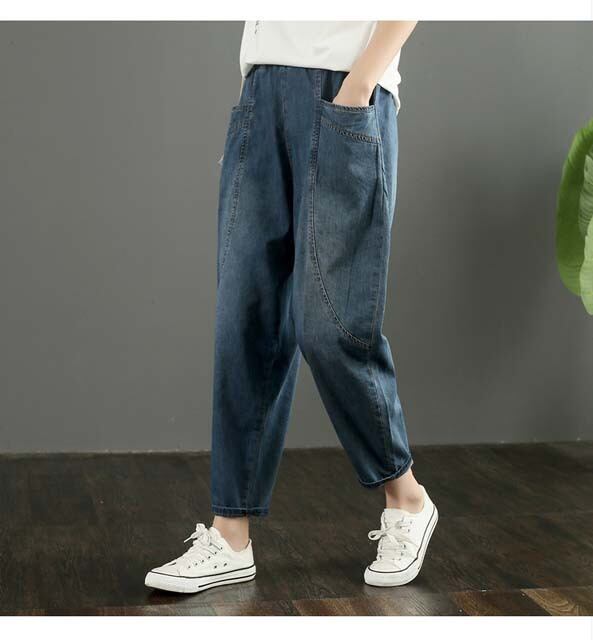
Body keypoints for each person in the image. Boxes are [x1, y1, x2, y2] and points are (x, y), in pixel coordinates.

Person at [145, 20, 438, 594]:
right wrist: (256, 94)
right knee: (243, 320)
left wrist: (360, 84)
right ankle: (231, 535)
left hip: (344, 89)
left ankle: (406, 496)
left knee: (330, 324)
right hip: (261, 92)